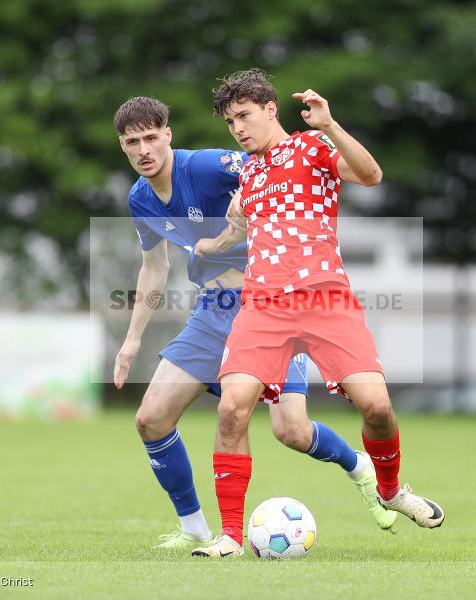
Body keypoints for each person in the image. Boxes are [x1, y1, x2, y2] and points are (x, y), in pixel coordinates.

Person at [112, 96, 397, 549]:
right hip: (213, 313)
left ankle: (358, 467)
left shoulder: (205, 166)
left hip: (269, 304)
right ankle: (196, 529)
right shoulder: (140, 198)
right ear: (123, 147)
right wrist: (131, 341)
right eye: (133, 142)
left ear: (168, 135)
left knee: (292, 431)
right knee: (150, 419)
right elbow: (154, 266)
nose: (144, 149)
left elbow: (267, 158)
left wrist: (251, 199)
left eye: (152, 138)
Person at [191, 70, 444, 558]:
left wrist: (330, 125)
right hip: (264, 304)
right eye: (229, 121)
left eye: (244, 116)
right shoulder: (248, 171)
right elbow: (242, 223)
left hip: (325, 297)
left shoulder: (312, 147)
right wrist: (213, 243)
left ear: (270, 110)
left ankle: (389, 489)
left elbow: (371, 175)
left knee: (377, 407)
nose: (238, 128)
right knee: (230, 408)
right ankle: (229, 536)